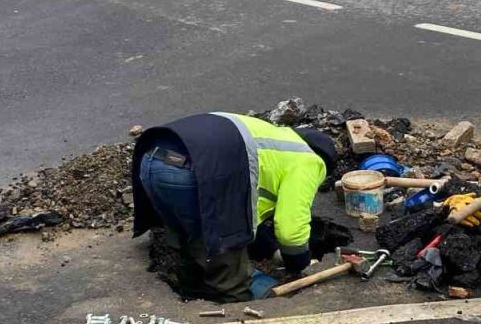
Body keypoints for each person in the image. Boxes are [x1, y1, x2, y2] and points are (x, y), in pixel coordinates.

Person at [131, 112, 338, 302]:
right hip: (189, 174)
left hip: (151, 160)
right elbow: (290, 230)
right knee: (228, 262)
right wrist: (297, 264)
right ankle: (234, 306)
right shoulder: (309, 160)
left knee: (190, 237)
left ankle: (192, 294)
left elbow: (254, 208)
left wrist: (265, 246)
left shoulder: (272, 141)